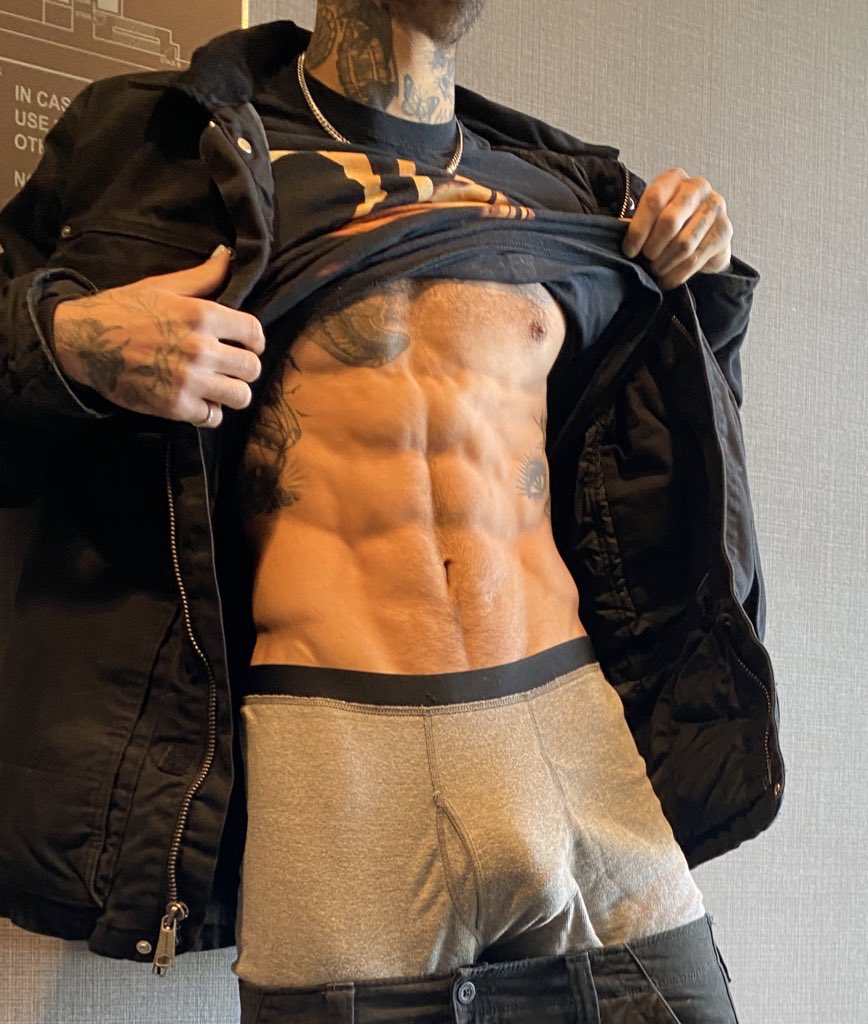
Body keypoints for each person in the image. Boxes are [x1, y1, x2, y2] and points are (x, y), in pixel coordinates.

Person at [0, 3, 784, 1022]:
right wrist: (68, 340)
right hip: (337, 763)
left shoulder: (562, 194)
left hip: (568, 741)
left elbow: (669, 451)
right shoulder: (154, 147)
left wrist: (702, 282)